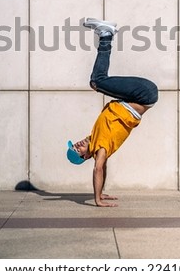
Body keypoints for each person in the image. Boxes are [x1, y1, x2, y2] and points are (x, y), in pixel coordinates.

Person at [66, 18, 158, 207]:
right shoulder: (101, 146)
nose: (77, 144)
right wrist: (97, 199)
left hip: (140, 94)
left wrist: (102, 192)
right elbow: (98, 167)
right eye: (77, 149)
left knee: (97, 82)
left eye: (74, 144)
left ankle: (106, 35)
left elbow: (104, 165)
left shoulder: (97, 138)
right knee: (96, 81)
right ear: (85, 156)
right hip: (143, 94)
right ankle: (106, 35)